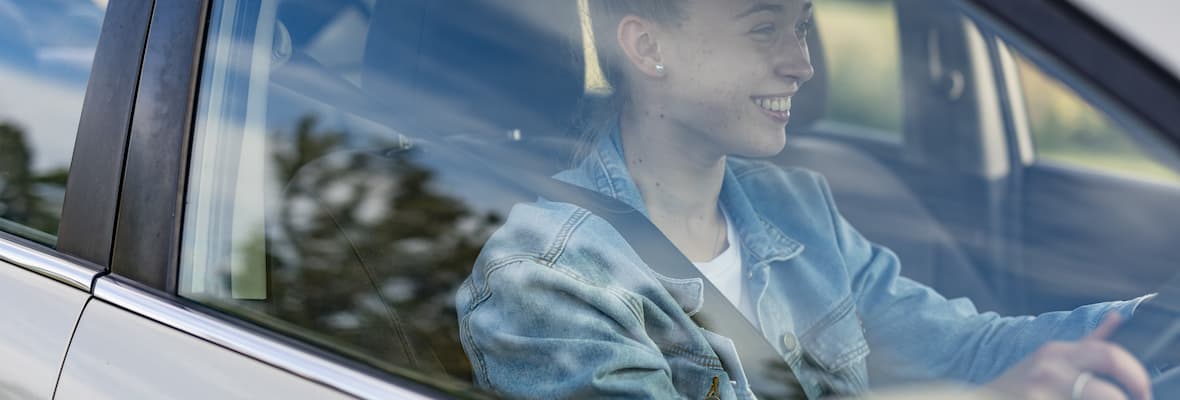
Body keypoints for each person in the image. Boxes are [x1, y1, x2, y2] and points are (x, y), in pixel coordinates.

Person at [455, 0, 1155, 398]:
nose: (803, 62)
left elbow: (964, 347)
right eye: (765, 27)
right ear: (647, 47)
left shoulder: (795, 208)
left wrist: (1153, 323)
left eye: (804, 25)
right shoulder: (544, 280)